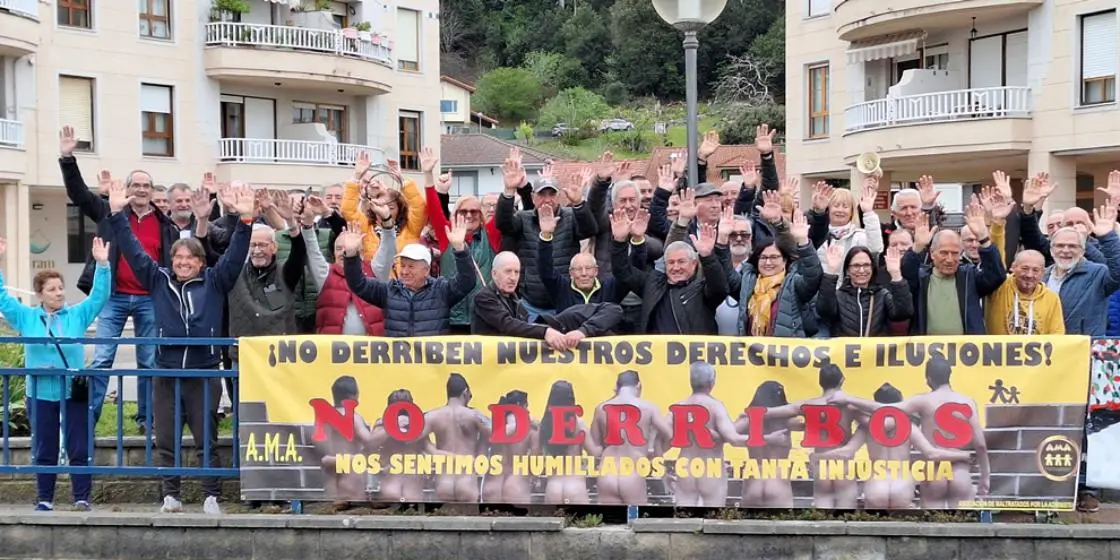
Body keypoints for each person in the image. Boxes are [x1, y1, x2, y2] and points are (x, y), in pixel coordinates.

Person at [108, 179, 255, 515]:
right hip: (167, 371)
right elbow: (132, 249)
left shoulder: (216, 281)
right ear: (171, 261)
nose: (184, 262)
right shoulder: (158, 280)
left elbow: (234, 257)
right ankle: (170, 495)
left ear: (201, 262)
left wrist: (245, 222)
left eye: (190, 258)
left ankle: (211, 495)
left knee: (207, 438)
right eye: (178, 257)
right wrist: (117, 215)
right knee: (166, 439)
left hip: (203, 372)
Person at [58, 126, 172, 431]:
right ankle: (89, 419)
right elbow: (78, 195)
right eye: (136, 184)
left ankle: (147, 421)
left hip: (149, 299)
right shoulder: (109, 212)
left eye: (147, 185)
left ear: (152, 190)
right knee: (102, 359)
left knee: (149, 361)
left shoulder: (165, 224)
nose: (142, 189)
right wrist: (68, 158)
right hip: (113, 297)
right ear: (128, 187)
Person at [0, 237, 110, 512]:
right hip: (39, 391)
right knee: (44, 447)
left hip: (74, 390)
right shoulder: (26, 317)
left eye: (61, 288)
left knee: (78, 446)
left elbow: (99, 296)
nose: (59, 293)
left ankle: (82, 497)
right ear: (40, 294)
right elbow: (2, 298)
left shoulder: (77, 315)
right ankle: (44, 498)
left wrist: (103, 265)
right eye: (52, 290)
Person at [830, 357, 990, 509]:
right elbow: (981, 446)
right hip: (959, 471)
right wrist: (985, 476)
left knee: (931, 527)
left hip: (933, 471)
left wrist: (850, 401)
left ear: (928, 378)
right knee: (964, 527)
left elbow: (885, 411)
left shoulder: (922, 401)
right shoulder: (968, 402)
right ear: (950, 374)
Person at [814, 383, 971, 509]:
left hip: (876, 487)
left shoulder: (867, 427)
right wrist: (964, 456)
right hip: (902, 487)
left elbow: (847, 452)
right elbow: (932, 454)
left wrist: (818, 456)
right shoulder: (908, 426)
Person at [496, 149, 598, 318]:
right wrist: (508, 191)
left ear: (558, 196)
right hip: (530, 302)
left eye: (552, 194)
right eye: (542, 194)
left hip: (564, 301)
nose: (547, 199)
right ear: (533, 197)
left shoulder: (571, 216)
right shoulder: (523, 218)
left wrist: (579, 203)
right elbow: (503, 224)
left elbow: (589, 229)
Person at [339, 216, 476, 336]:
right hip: (398, 362)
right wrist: (351, 255)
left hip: (431, 363)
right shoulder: (389, 290)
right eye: (402, 265)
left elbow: (467, 281)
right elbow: (358, 284)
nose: (404, 271)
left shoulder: (441, 290)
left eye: (411, 266)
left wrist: (460, 249)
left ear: (426, 270)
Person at [756, 362, 859, 508]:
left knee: (822, 519)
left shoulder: (807, 405)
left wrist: (748, 414)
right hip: (843, 466)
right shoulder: (851, 405)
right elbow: (878, 415)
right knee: (847, 517)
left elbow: (770, 412)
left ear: (820, 383)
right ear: (842, 380)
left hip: (821, 466)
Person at [421, 148, 499, 334]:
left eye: (474, 211)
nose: (469, 215)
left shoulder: (491, 235)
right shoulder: (447, 234)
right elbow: (433, 208)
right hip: (452, 316)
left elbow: (503, 209)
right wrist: (427, 175)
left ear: (481, 215)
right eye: (463, 211)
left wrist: (510, 187)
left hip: (484, 315)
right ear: (455, 215)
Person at [471, 252, 623, 345]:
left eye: (517, 272)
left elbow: (615, 310)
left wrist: (582, 332)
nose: (513, 277)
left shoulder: (517, 302)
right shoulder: (484, 298)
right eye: (508, 272)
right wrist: (546, 332)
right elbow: (507, 324)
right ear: (494, 273)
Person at [611, 214, 728, 334]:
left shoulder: (702, 289)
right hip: (657, 351)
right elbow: (622, 271)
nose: (676, 267)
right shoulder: (652, 283)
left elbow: (720, 288)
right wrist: (619, 241)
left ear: (694, 264)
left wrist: (707, 257)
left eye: (681, 262)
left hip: (694, 352)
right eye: (671, 263)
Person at [902, 206, 1006, 335]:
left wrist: (984, 238)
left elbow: (996, 275)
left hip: (966, 352)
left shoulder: (970, 277)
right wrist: (917, 247)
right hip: (927, 352)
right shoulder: (921, 278)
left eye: (955, 253)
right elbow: (906, 273)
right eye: (944, 253)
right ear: (932, 253)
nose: (950, 259)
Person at [722, 206, 821, 337]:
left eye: (774, 257)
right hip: (752, 354)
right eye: (763, 258)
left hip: (786, 354)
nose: (768, 262)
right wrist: (722, 239)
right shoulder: (748, 283)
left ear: (785, 260)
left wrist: (803, 241)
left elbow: (813, 275)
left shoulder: (793, 284)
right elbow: (726, 273)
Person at [668, 363, 749, 507]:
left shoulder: (679, 406)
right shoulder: (716, 406)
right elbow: (734, 439)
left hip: (685, 466)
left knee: (683, 517)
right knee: (713, 516)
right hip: (711, 467)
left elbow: (661, 435)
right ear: (712, 382)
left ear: (691, 382)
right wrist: (767, 440)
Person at [589, 370, 673, 505]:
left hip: (607, 473)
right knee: (635, 522)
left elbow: (594, 446)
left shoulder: (601, 408)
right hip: (632, 473)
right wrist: (656, 452)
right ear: (639, 386)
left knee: (610, 523)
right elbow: (671, 436)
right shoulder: (649, 408)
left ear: (617, 387)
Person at [1042, 205, 1120, 336]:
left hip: (1085, 351)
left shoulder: (1097, 274)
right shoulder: (1041, 277)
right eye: (1060, 245)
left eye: (1073, 246)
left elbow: (1117, 272)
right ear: (1051, 250)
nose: (1066, 250)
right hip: (1049, 351)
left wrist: (1107, 237)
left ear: (1083, 250)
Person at [340, 153, 428, 263]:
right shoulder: (366, 228)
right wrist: (356, 177)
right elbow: (348, 210)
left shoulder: (411, 228)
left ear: (399, 209)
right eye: (380, 206)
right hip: (375, 279)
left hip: (406, 278)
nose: (385, 210)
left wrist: (401, 180)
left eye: (391, 207)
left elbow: (419, 207)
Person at [419, 373, 492, 502]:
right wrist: (481, 448)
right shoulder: (474, 415)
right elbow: (496, 434)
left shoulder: (432, 416)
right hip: (467, 480)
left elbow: (413, 437)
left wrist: (434, 451)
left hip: (444, 482)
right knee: (469, 521)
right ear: (465, 392)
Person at [817, 246, 913, 336]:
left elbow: (904, 312)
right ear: (847, 270)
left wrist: (896, 275)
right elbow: (824, 311)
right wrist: (830, 273)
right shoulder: (839, 296)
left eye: (866, 265)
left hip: (875, 353)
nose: (862, 270)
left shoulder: (882, 295)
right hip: (845, 353)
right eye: (856, 266)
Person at [538, 380, 601, 504]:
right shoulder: (579, 424)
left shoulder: (544, 425)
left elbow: (537, 457)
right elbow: (595, 453)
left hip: (553, 486)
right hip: (575, 485)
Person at [734, 381, 796, 508]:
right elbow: (812, 419)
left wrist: (750, 414)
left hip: (753, 486)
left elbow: (728, 434)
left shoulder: (748, 420)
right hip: (778, 485)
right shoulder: (788, 421)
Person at [808, 179, 883, 269]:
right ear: (828, 209)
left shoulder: (859, 236)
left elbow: (876, 248)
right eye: (836, 205)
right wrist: (818, 212)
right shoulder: (818, 236)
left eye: (845, 206)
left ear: (851, 212)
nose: (840, 210)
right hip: (826, 282)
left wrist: (868, 212)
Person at [482, 390, 537, 504]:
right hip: (516, 486)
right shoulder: (531, 429)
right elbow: (536, 463)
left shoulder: (494, 427)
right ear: (523, 406)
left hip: (491, 485)